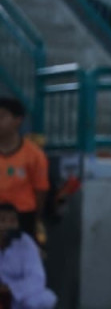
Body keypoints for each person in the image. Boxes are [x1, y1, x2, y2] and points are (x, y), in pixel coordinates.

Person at [0, 202, 56, 309]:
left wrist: (10, 289)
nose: (7, 226)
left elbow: (37, 278)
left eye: (12, 221)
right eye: (2, 220)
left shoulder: (26, 242)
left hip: (15, 299)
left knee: (47, 298)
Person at [0, 98, 48, 241]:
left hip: (23, 216)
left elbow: (41, 190)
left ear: (18, 120)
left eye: (1, 117)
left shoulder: (34, 155)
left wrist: (36, 219)